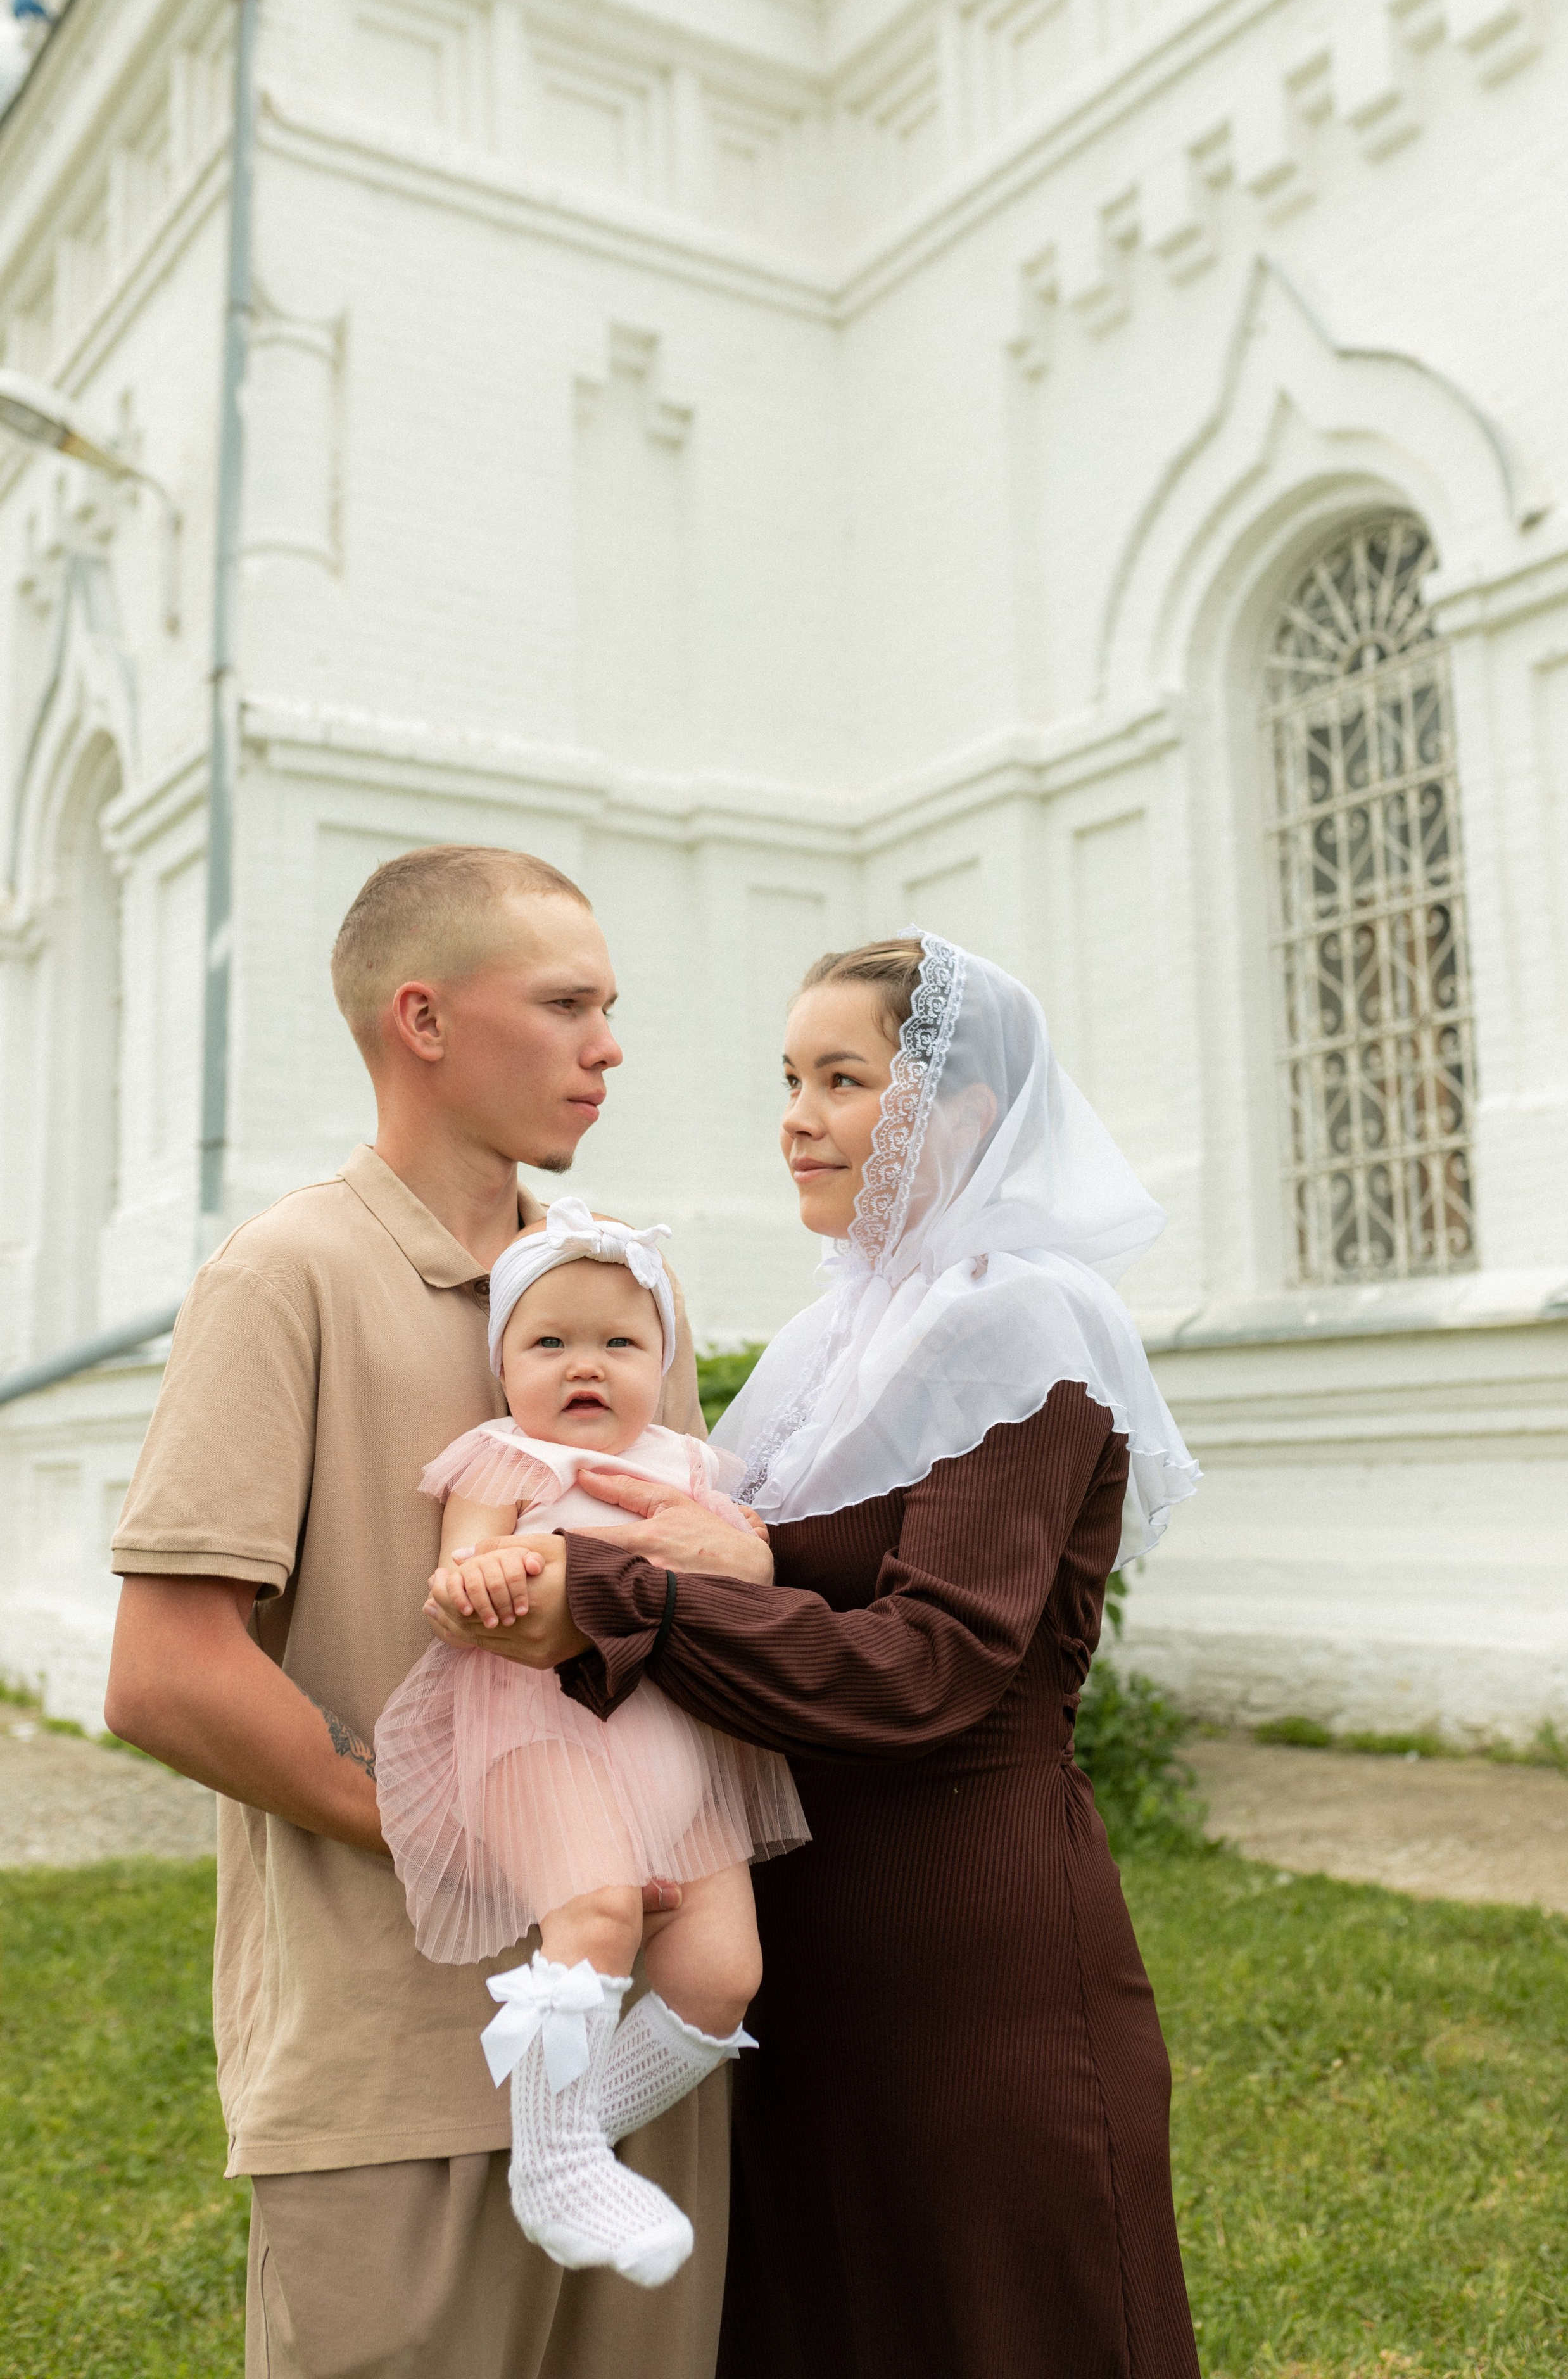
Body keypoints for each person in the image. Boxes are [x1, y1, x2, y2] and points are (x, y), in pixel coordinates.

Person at [429, 930, 1205, 2379]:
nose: (794, 1116)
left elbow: (927, 1666)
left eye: (840, 1080)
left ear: (955, 1115)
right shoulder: (833, 1338)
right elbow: (804, 1581)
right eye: (788, 1077)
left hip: (965, 1945)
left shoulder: (1017, 1324)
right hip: (807, 1942)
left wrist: (622, 1599)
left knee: (1002, 2326)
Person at [103, 845, 733, 2379]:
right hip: (382, 2074)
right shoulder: (285, 1276)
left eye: (611, 1006)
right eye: (567, 1003)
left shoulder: (627, 1291)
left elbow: (688, 1607)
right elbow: (167, 1675)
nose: (609, 1045)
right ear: (424, 1022)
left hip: (639, 2070)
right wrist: (479, 1840)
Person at [374, 1202, 807, 2285]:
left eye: (621, 1344)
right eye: (549, 1342)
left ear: (662, 1361)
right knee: (600, 1913)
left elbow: (740, 1576)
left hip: (685, 1747)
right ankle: (560, 2161)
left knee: (723, 1974)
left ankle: (563, 2139)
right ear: (504, 1367)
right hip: (543, 1729)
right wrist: (477, 1574)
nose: (587, 1367)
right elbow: (462, 1567)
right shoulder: (503, 1456)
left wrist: (744, 1554)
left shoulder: (695, 1467)